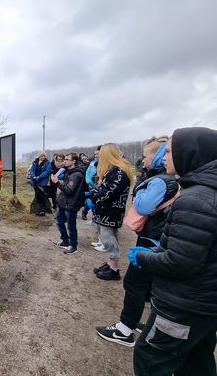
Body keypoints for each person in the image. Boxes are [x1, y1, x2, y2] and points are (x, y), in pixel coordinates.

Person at [129, 127, 217, 375]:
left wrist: (145, 256)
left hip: (183, 303)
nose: (164, 157)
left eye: (169, 151)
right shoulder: (207, 193)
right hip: (206, 303)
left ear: (189, 154)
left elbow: (179, 263)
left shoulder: (195, 199)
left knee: (151, 359)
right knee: (196, 363)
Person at [95, 136, 179, 347]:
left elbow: (142, 206)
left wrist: (141, 186)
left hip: (153, 239)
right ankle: (145, 323)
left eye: (145, 156)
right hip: (157, 236)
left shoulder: (160, 180)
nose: (143, 161)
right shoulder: (166, 179)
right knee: (149, 286)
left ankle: (124, 330)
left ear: (157, 155)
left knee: (134, 283)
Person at [88, 143, 134, 280]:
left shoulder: (119, 172)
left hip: (111, 212)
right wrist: (93, 192)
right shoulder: (112, 170)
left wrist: (93, 196)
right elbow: (100, 187)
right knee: (106, 237)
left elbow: (108, 192)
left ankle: (114, 269)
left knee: (109, 239)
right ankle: (110, 263)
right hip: (105, 211)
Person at [51, 152, 86, 254]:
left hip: (70, 204)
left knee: (71, 225)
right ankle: (65, 241)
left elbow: (69, 190)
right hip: (63, 202)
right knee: (59, 222)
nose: (64, 161)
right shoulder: (69, 171)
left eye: (67, 159)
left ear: (73, 161)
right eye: (64, 159)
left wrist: (57, 183)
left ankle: (73, 245)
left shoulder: (76, 174)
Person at [28, 151, 52, 216]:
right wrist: (33, 176)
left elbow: (47, 171)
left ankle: (43, 210)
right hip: (35, 181)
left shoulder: (47, 163)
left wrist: (39, 177)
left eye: (44, 156)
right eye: (41, 156)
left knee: (42, 196)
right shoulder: (35, 162)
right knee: (37, 195)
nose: (43, 157)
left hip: (42, 182)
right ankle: (37, 210)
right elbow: (32, 170)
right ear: (38, 156)